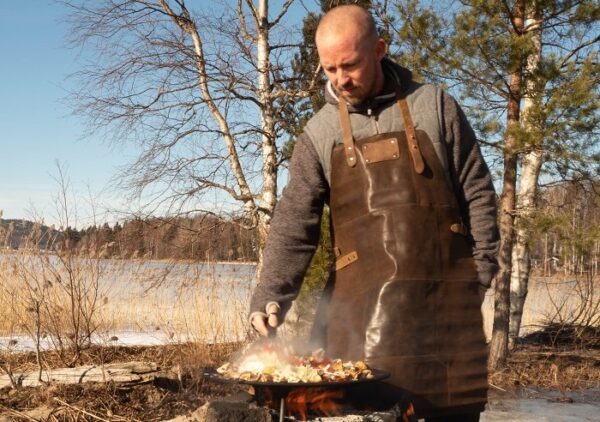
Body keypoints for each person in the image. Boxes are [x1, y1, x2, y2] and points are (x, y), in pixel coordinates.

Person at [249, 5, 499, 421]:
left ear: (380, 49)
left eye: (350, 65)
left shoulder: (436, 107)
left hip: (445, 314)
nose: (340, 80)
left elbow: (478, 192)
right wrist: (269, 298)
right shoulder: (319, 134)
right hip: (358, 323)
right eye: (329, 69)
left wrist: (483, 270)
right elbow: (294, 227)